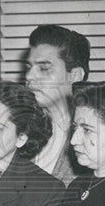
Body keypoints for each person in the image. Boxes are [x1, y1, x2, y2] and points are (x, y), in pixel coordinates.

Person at [25, 24, 91, 185]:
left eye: (44, 68)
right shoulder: (18, 127)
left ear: (75, 75)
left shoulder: (103, 133)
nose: (29, 76)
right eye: (28, 67)